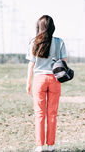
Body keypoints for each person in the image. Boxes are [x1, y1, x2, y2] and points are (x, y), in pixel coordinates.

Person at [26, 15, 67, 152]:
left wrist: (28, 83)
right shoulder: (59, 42)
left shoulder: (34, 42)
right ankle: (51, 146)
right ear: (52, 27)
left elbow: (31, 65)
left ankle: (39, 146)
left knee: (39, 113)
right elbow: (64, 62)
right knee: (52, 113)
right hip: (54, 79)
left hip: (39, 79)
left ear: (39, 27)